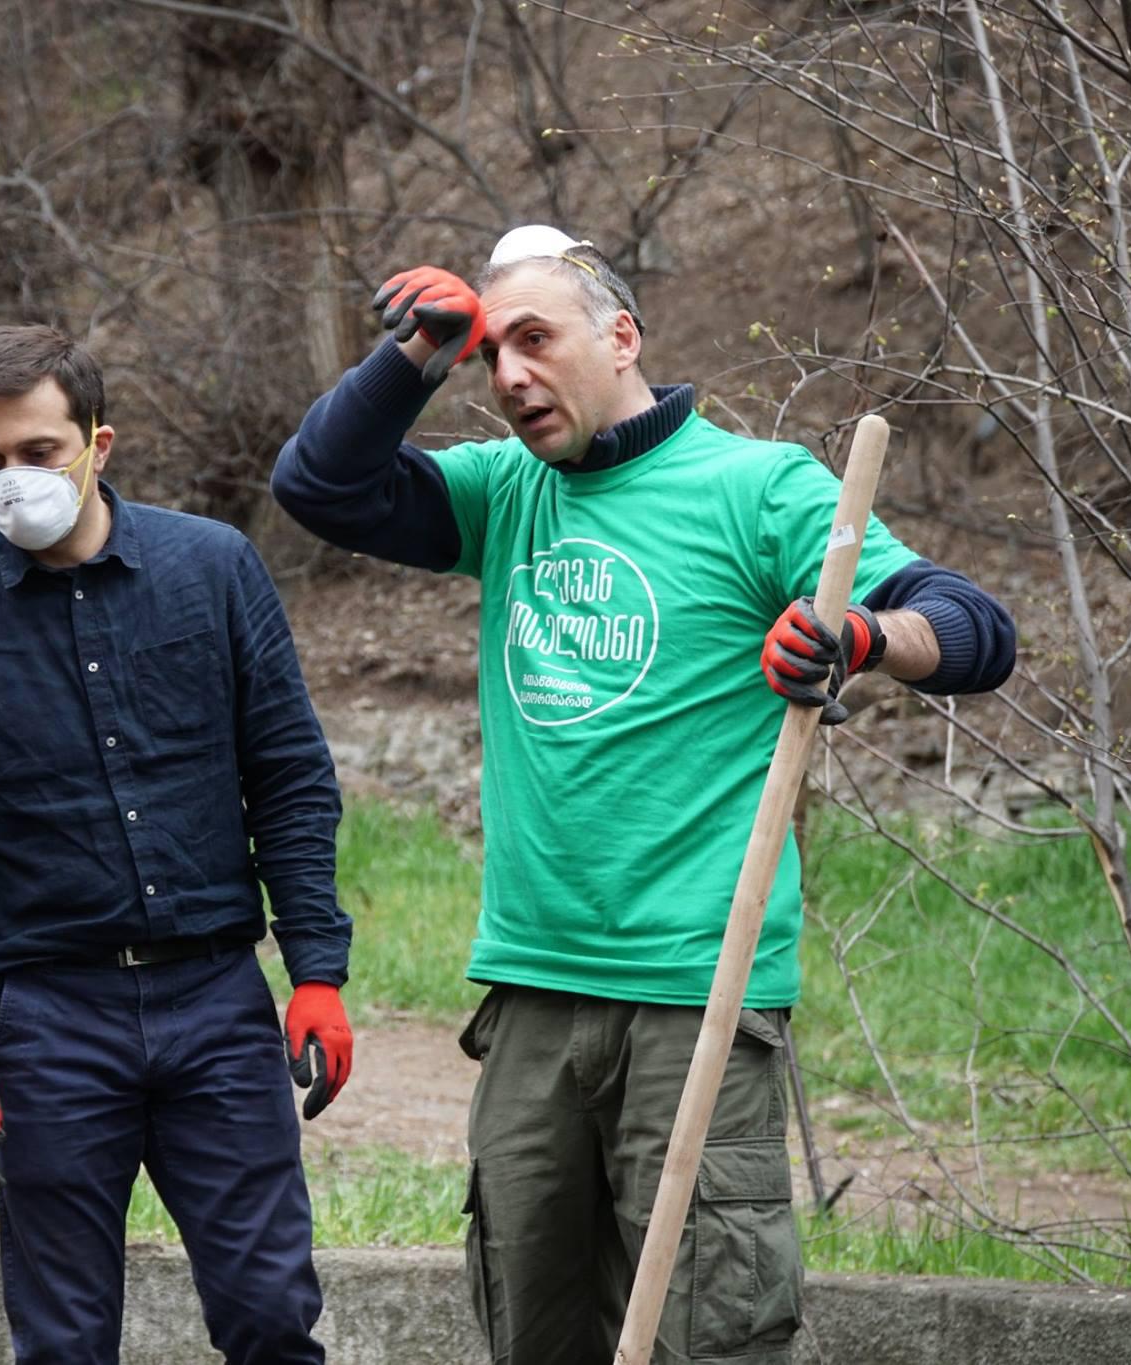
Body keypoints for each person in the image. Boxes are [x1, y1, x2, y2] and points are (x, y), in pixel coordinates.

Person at [272, 226, 1016, 1365]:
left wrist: (863, 635)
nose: (509, 374)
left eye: (534, 338)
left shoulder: (757, 488)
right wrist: (411, 356)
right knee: (531, 1331)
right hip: (530, 992)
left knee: (706, 1334)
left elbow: (972, 628)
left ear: (620, 337)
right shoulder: (503, 493)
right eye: (489, 354)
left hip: (694, 997)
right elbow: (319, 487)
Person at [0, 324, 354, 1364]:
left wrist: (316, 970)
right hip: (48, 1017)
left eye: (38, 451)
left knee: (271, 1314)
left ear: (99, 443)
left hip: (215, 1002)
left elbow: (288, 778)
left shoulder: (213, 570)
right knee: (63, 1340)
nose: (13, 480)